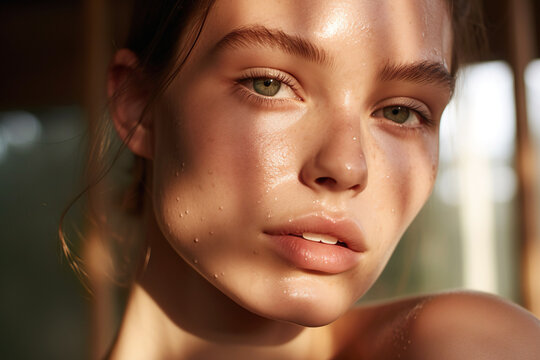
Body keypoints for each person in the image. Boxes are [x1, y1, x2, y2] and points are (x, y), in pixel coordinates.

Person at [69, 0, 540, 358]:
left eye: (401, 112)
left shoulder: (466, 344)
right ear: (138, 108)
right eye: (268, 84)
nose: (347, 166)